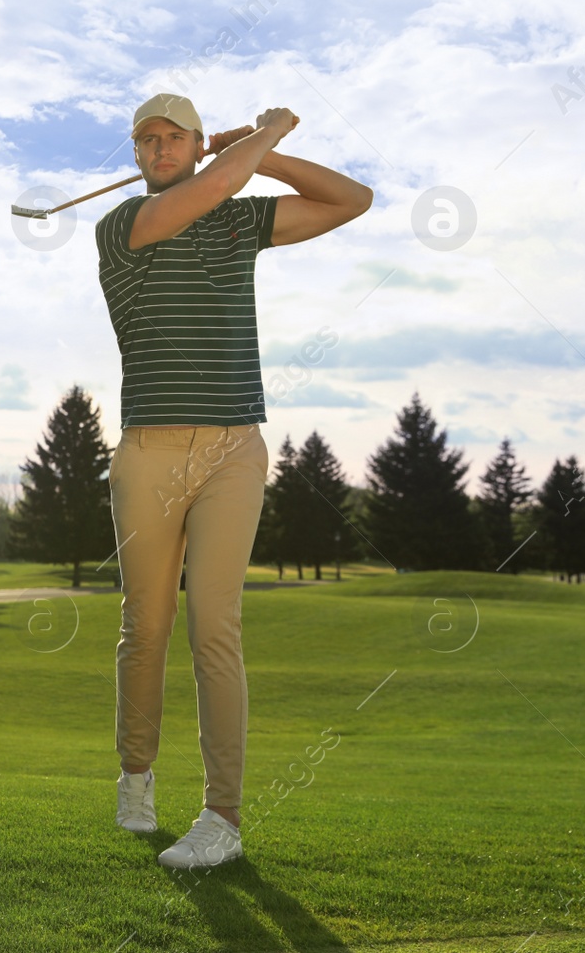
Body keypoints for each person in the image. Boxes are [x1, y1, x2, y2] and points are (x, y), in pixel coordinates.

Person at [95, 92, 372, 868]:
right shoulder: (120, 227)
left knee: (215, 626)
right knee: (144, 625)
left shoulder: (237, 220)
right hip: (149, 450)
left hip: (233, 450)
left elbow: (354, 199)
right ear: (137, 154)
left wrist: (264, 151)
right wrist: (270, 130)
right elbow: (213, 187)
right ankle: (136, 776)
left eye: (173, 136)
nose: (157, 147)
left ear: (192, 142)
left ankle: (222, 818)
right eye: (144, 139)